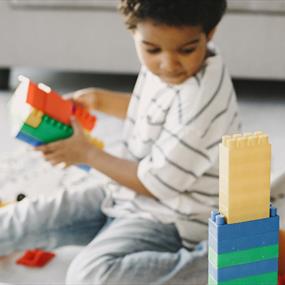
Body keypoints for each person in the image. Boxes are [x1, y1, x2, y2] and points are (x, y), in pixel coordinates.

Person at [0, 0, 241, 284]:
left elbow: (157, 185)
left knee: (91, 277)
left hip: (174, 219)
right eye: (152, 50)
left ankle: (232, 258)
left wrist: (86, 154)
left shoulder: (202, 102)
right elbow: (155, 111)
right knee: (21, 220)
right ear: (133, 32)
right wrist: (99, 100)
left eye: (186, 50)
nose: (168, 64)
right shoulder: (178, 69)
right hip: (124, 195)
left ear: (209, 33)